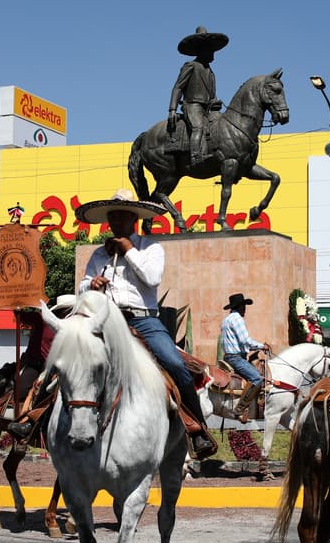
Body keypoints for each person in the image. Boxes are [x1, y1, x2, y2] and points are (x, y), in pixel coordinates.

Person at [75, 189, 216, 460]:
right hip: (109, 318)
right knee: (74, 358)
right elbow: (82, 287)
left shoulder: (151, 248)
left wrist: (128, 250)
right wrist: (91, 285)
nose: (116, 222)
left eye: (122, 217)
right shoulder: (99, 255)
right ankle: (41, 418)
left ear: (134, 219)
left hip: (145, 319)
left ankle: (197, 428)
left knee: (174, 364)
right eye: (112, 217)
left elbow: (152, 278)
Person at [6, 293, 75, 440]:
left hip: (62, 366)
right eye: (69, 310)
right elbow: (23, 317)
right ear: (61, 310)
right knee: (23, 390)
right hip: (37, 364)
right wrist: (17, 308)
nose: (71, 313)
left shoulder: (75, 325)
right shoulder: (42, 318)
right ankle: (25, 422)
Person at [167, 26, 229, 166]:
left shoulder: (211, 73)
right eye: (210, 50)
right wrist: (172, 110)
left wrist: (215, 102)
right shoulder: (191, 65)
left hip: (207, 108)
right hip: (193, 105)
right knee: (198, 127)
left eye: (213, 50)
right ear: (201, 50)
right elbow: (178, 87)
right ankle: (196, 156)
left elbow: (211, 94)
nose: (213, 53)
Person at [219, 292, 269, 420]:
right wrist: (261, 346)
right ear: (240, 307)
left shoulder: (226, 320)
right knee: (257, 378)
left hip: (228, 357)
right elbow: (245, 341)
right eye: (244, 306)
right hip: (236, 358)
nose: (245, 310)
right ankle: (240, 409)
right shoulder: (237, 319)